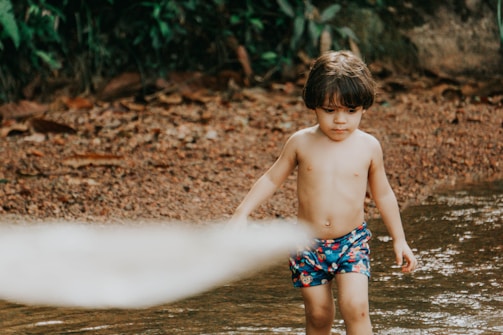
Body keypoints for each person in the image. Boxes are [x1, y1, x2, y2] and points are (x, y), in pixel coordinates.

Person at [228, 50, 417, 335]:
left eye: (350, 111)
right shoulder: (300, 143)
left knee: (356, 307)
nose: (340, 120)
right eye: (330, 111)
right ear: (314, 105)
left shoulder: (368, 147)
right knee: (318, 315)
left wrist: (399, 240)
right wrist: (242, 213)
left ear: (364, 107)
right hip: (307, 245)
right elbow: (271, 178)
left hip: (351, 242)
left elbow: (384, 194)